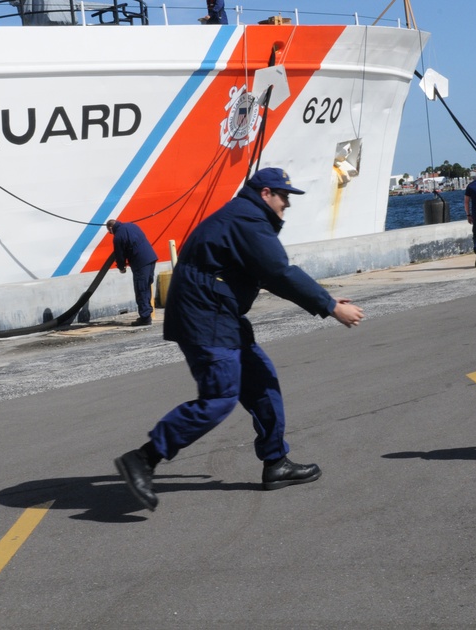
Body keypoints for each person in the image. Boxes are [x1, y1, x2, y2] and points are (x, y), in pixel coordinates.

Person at [114, 167, 366, 510]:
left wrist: (327, 300)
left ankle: (276, 462)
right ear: (265, 194)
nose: (287, 204)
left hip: (221, 311)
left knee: (263, 383)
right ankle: (144, 458)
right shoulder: (248, 219)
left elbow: (271, 274)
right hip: (206, 315)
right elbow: (279, 272)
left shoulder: (246, 217)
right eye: (283, 196)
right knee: (220, 396)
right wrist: (330, 307)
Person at [106, 219, 158, 326]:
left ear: (111, 228)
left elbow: (119, 255)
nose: (111, 234)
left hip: (140, 262)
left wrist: (121, 267)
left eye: (109, 232)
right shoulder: (132, 225)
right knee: (146, 287)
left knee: (140, 289)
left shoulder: (118, 236)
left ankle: (145, 317)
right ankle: (147, 313)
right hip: (151, 258)